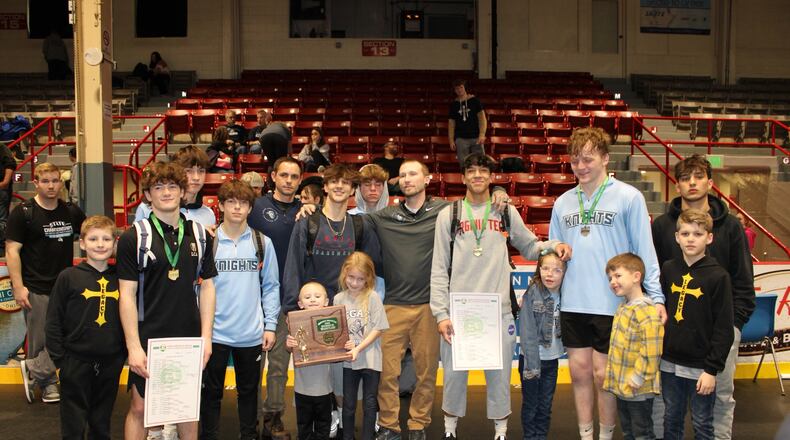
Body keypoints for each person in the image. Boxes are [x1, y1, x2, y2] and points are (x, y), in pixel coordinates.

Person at [430, 153, 570, 440]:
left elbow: (530, 247)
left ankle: (501, 431)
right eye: (472, 171)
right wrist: (441, 314)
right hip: (460, 310)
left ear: (491, 177)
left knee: (499, 374)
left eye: (484, 170)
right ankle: (449, 429)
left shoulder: (504, 212)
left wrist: (553, 245)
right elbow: (439, 267)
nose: (478, 175)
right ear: (464, 176)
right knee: (455, 375)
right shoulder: (450, 214)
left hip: (498, 309)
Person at [370, 159, 509, 440]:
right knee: (387, 373)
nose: (408, 179)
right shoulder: (384, 216)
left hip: (429, 307)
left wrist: (500, 194)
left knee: (426, 373)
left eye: (413, 174)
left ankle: (419, 425)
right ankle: (388, 425)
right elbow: (353, 212)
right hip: (394, 304)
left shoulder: (447, 210)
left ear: (427, 179)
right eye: (403, 175)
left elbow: (478, 203)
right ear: (397, 182)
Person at [548, 127, 664, 440]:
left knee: (605, 376)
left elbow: (645, 249)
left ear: (605, 158)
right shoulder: (562, 203)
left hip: (614, 304)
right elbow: (552, 247)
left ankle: (606, 435)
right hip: (573, 301)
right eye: (574, 161)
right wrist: (556, 250)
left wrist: (657, 297)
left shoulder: (629, 197)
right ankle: (586, 436)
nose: (581, 166)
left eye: (587, 159)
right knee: (579, 373)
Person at [650, 154, 754, 440]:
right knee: (665, 402)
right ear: (677, 184)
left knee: (719, 397)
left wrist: (733, 327)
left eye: (698, 177)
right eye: (685, 178)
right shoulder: (661, 226)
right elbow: (653, 278)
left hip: (719, 333)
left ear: (710, 182)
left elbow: (743, 282)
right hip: (673, 336)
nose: (692, 183)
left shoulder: (730, 227)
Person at [116, 161, 217, 440]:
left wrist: (206, 338)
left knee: (187, 408)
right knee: (140, 407)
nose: (166, 192)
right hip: (148, 334)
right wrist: (133, 346)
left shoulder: (199, 234)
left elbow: (207, 287)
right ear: (147, 195)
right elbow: (126, 294)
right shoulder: (133, 237)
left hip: (188, 335)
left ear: (183, 191)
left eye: (172, 186)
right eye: (158, 187)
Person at [283, 163, 382, 438]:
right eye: (334, 182)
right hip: (313, 314)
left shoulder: (359, 225)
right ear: (324, 187)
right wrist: (293, 313)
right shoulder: (308, 222)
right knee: (315, 378)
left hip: (350, 313)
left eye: (345, 183)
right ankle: (329, 416)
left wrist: (371, 306)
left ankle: (339, 416)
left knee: (346, 374)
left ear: (352, 190)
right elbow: (293, 267)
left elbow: (372, 268)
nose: (339, 186)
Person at [200, 180, 280, 440]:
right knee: (211, 394)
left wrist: (269, 326)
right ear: (221, 205)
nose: (237, 207)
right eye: (231, 202)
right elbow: (197, 288)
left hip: (251, 334)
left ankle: (249, 436)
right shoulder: (208, 242)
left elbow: (271, 287)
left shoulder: (262, 243)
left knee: (249, 394)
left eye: (243, 203)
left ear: (249, 208)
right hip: (215, 334)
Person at [7, 162, 86, 404]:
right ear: (36, 183)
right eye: (45, 181)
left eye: (55, 181)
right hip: (35, 287)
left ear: (61, 183)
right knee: (40, 339)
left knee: (69, 335)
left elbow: (89, 235)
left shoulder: (71, 211)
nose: (51, 186)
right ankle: (48, 383)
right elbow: (12, 251)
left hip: (65, 288)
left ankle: (33, 370)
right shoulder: (23, 213)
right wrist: (19, 287)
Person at [45, 215, 125, 440]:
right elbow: (53, 321)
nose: (100, 244)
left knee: (102, 422)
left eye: (107, 239)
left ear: (115, 243)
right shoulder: (68, 277)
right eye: (93, 239)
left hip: (111, 361)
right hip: (75, 361)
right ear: (82, 243)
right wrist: (61, 360)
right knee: (73, 424)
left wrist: (121, 354)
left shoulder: (121, 278)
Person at [660, 209, 734, 440]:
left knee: (702, 423)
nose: (691, 238)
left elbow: (723, 328)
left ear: (709, 238)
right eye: (685, 233)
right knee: (671, 419)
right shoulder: (669, 269)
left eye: (698, 234)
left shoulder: (718, 276)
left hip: (701, 366)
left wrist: (711, 369)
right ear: (676, 237)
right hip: (670, 363)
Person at [247, 156, 304, 439]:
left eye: (294, 176)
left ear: (300, 180)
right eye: (284, 175)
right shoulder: (256, 208)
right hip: (253, 299)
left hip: (287, 300)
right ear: (272, 177)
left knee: (279, 366)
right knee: (253, 366)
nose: (289, 181)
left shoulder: (306, 212)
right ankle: (251, 417)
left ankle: (274, 416)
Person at [602, 253, 663, 440]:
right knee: (628, 431)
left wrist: (637, 377)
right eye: (610, 278)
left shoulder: (645, 309)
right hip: (623, 386)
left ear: (636, 277)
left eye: (618, 276)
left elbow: (652, 350)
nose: (613, 281)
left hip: (639, 388)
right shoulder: (623, 307)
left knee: (642, 433)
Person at [334, 252, 389, 440]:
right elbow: (337, 331)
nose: (355, 283)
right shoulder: (338, 299)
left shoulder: (373, 297)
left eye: (360, 279)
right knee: (348, 403)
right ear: (344, 274)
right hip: (349, 362)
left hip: (371, 360)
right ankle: (348, 436)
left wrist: (358, 347)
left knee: (370, 403)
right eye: (351, 277)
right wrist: (344, 344)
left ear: (368, 279)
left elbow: (378, 328)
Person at [518, 250, 566, 440]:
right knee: (531, 406)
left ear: (564, 273)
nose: (549, 274)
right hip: (531, 361)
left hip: (551, 361)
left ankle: (540, 436)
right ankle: (530, 437)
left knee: (545, 406)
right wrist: (532, 365)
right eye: (545, 268)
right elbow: (528, 332)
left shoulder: (566, 293)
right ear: (539, 269)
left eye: (556, 270)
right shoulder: (533, 292)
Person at [285, 282, 335, 440]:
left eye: (317, 296)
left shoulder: (332, 323)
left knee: (323, 425)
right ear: (300, 304)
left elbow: (338, 347)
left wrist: (344, 345)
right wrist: (289, 344)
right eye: (307, 297)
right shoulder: (294, 325)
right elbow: (289, 349)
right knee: (304, 426)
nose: (312, 300)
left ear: (326, 302)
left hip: (325, 389)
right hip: (302, 389)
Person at [135, 145, 216, 227]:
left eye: (201, 171)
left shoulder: (209, 214)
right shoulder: (147, 209)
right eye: (188, 171)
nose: (196, 177)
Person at [448, 79, 486, 168]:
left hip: (476, 137)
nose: (459, 90)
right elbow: (451, 123)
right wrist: (451, 140)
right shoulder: (454, 104)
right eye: (457, 88)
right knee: (464, 164)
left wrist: (482, 134)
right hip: (461, 138)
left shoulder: (475, 101)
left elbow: (482, 119)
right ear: (454, 90)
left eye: (461, 87)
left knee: (480, 163)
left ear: (464, 88)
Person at [0, 142, 16, 257]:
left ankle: (2, 247)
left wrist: (5, 182)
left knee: (2, 219)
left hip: (1, 189)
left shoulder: (2, 148)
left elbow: (10, 164)